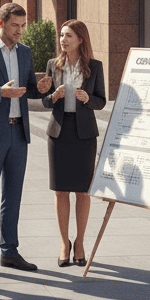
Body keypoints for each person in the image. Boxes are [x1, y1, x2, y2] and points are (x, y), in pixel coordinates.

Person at [0, 2, 53, 277]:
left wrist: (39, 89)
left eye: (23, 25)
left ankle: (10, 252)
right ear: (1, 23)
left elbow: (26, 90)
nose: (20, 31)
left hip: (19, 133)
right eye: (15, 25)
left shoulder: (25, 52)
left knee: (13, 197)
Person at [42, 20, 106, 267]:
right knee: (60, 190)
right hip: (58, 133)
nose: (63, 40)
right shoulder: (52, 65)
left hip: (84, 134)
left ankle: (79, 242)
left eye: (68, 36)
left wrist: (88, 98)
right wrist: (53, 96)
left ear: (80, 39)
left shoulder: (95, 67)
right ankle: (63, 243)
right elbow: (44, 101)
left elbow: (101, 101)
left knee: (82, 190)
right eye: (61, 35)